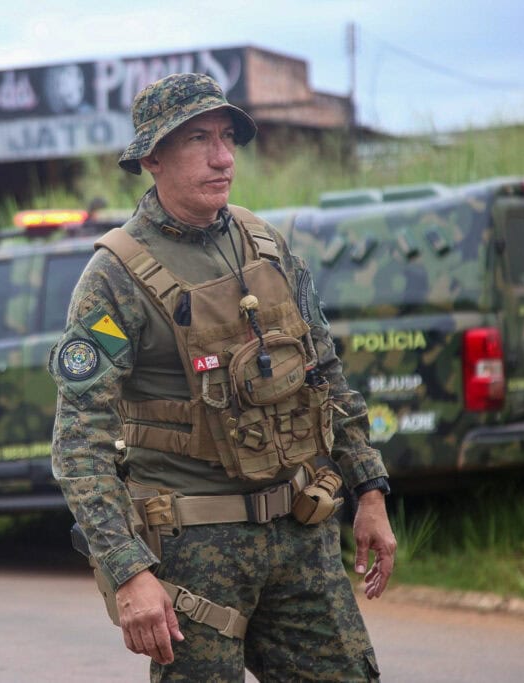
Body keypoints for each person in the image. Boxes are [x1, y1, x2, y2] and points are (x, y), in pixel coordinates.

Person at [49, 73, 396, 682]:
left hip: (301, 532)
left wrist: (369, 490)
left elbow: (325, 374)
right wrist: (129, 571)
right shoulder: (114, 278)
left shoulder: (266, 244)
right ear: (152, 158)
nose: (223, 157)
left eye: (228, 137)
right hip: (194, 551)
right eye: (199, 139)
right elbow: (80, 443)